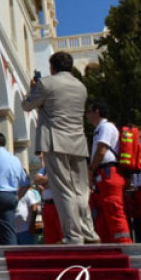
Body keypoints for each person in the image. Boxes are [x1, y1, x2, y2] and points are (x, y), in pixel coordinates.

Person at [22, 52, 98, 244]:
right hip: (78, 142)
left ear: (52, 66)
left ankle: (73, 235)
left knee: (64, 190)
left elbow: (27, 105)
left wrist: (33, 89)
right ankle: (89, 232)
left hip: (55, 141)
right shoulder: (81, 86)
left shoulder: (46, 83)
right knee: (81, 190)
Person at [86, 99, 132, 243]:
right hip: (103, 173)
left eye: (89, 111)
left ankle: (124, 244)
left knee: (113, 209)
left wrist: (91, 169)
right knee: (103, 213)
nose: (86, 115)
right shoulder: (99, 129)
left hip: (108, 172)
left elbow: (102, 149)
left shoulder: (105, 127)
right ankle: (108, 245)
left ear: (97, 112)